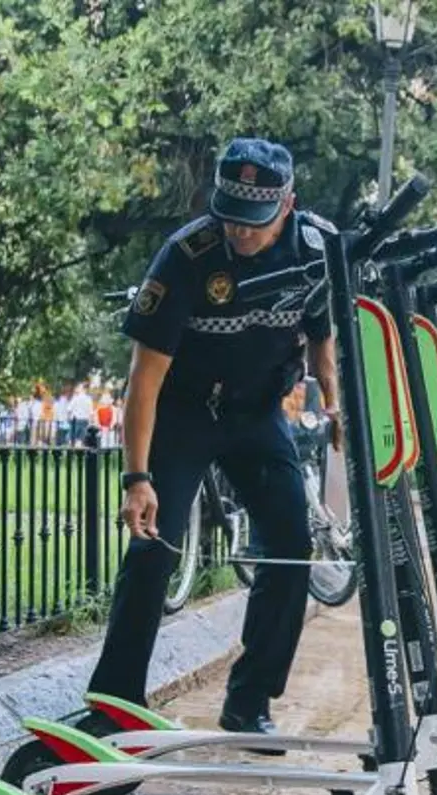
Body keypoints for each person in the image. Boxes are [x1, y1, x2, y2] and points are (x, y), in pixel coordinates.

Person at [87, 137, 340, 744]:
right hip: (184, 412)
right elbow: (144, 381)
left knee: (290, 544)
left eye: (254, 221)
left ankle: (249, 700)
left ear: (288, 206)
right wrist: (137, 479)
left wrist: (333, 406)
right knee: (153, 548)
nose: (240, 233)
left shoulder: (313, 252)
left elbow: (321, 337)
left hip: (257, 415)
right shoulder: (186, 256)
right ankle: (113, 705)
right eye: (230, 216)